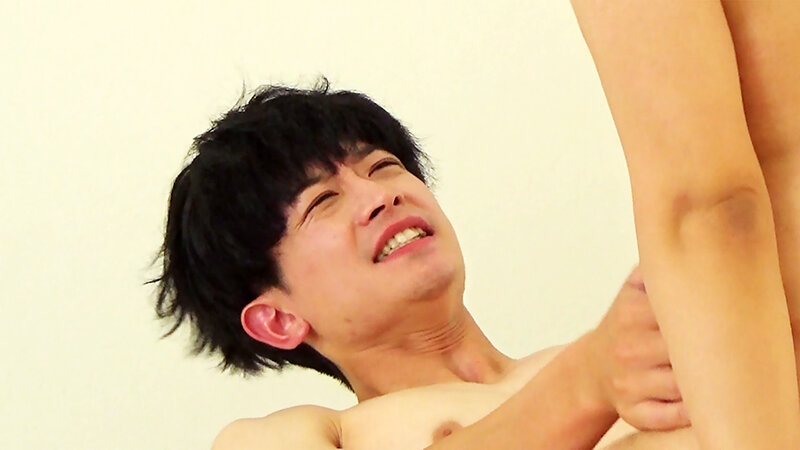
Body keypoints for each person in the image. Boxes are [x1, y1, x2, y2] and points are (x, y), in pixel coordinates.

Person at [152, 80, 683, 449]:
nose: (380, 195)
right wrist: (586, 384)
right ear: (278, 318)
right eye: (323, 200)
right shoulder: (291, 436)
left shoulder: (632, 356)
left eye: (383, 166)